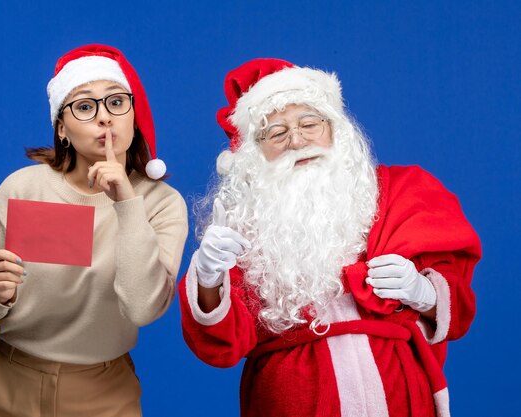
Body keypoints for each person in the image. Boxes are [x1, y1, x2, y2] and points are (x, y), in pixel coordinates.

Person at [179, 58, 480, 417]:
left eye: (310, 123)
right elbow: (222, 347)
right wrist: (210, 278)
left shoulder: (404, 192)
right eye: (276, 132)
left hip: (398, 391)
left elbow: (459, 310)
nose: (297, 140)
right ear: (255, 153)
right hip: (292, 399)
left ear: (336, 129)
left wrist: (423, 291)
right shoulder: (245, 222)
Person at [0, 44, 188, 417]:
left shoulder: (163, 203)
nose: (105, 118)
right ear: (62, 129)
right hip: (10, 381)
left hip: (104, 392)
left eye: (117, 102)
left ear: (134, 116)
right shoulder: (22, 188)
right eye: (85, 106)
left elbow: (142, 308)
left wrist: (127, 203)